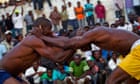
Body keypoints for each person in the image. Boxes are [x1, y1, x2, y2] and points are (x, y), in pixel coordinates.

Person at [32, 26, 140, 83]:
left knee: (111, 81)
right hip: (133, 51)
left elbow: (66, 44)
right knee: (131, 81)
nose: (82, 49)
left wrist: (42, 37)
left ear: (81, 38)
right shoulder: (99, 35)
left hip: (137, 50)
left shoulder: (92, 34)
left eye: (80, 46)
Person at [0, 17, 75, 84]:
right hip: (2, 72)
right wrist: (74, 46)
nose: (50, 32)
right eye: (49, 29)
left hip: (11, 73)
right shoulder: (34, 39)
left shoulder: (38, 39)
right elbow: (58, 58)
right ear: (40, 27)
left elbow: (59, 45)